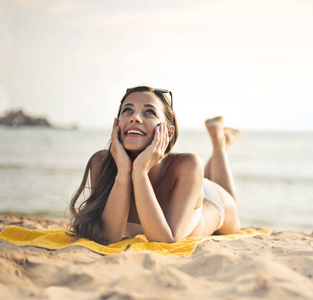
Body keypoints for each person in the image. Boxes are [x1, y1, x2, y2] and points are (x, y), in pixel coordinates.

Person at [69, 86, 241, 244]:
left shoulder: (188, 164)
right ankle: (221, 140)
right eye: (127, 110)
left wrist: (140, 172)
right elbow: (108, 237)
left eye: (149, 112)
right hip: (186, 185)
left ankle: (219, 143)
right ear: (116, 123)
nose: (135, 118)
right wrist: (123, 172)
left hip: (209, 199)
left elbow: (165, 240)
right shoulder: (100, 163)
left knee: (232, 210)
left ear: (168, 131)